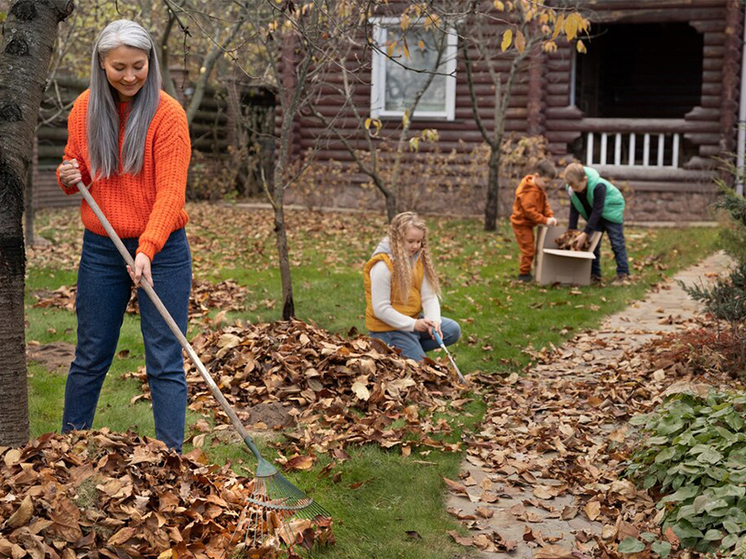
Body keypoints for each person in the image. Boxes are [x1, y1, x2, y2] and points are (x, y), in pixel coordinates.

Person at [56, 20, 192, 452]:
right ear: (101, 64)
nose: (130, 76)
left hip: (163, 249)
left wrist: (148, 248)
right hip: (101, 247)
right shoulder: (84, 108)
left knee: (165, 358)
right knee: (91, 353)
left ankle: (172, 460)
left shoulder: (167, 115)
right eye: (119, 67)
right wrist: (67, 174)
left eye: (139, 65)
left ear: (150, 61)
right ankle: (66, 450)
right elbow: (76, 167)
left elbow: (171, 192)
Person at [363, 212, 461, 362]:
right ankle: (397, 348)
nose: (416, 246)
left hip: (412, 322)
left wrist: (434, 322)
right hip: (387, 329)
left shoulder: (417, 259)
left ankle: (410, 347)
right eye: (410, 241)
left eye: (419, 241)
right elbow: (381, 309)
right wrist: (413, 324)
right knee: (421, 369)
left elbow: (429, 296)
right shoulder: (382, 265)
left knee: (452, 330)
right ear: (397, 239)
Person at [563, 163, 630, 284]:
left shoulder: (599, 186)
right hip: (595, 216)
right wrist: (571, 231)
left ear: (585, 179)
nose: (576, 190)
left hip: (610, 212)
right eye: (573, 188)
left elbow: (597, 211)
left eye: (577, 187)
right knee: (593, 245)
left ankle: (623, 274)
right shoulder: (573, 189)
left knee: (617, 243)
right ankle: (595, 275)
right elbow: (574, 209)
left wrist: (585, 233)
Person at [509, 159, 559, 282]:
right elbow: (530, 212)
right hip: (521, 224)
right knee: (528, 249)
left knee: (531, 248)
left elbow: (544, 204)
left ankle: (528, 271)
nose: (546, 185)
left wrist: (550, 216)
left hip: (529, 223)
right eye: (545, 182)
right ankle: (524, 274)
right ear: (536, 176)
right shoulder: (528, 192)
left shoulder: (539, 188)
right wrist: (544, 220)